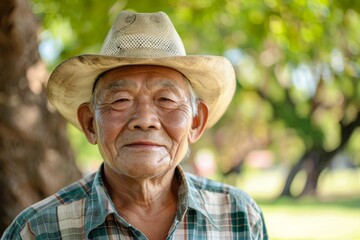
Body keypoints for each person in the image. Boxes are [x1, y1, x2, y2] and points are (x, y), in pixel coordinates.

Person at [2, 11, 268, 239]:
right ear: (90, 123)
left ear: (196, 123)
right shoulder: (38, 230)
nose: (144, 120)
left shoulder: (239, 216)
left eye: (165, 99)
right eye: (120, 100)